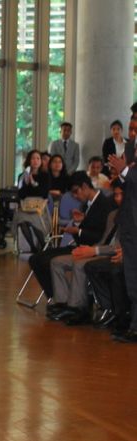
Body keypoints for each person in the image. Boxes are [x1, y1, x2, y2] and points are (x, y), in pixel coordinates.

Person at [47, 180, 122, 325]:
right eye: (116, 195)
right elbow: (104, 239)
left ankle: (77, 307)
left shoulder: (130, 216)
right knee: (56, 262)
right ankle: (63, 303)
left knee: (80, 264)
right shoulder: (113, 215)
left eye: (121, 195)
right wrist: (89, 249)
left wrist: (93, 250)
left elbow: (119, 246)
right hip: (99, 249)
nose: (117, 198)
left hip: (111, 254)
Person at [29, 171, 113, 301]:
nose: (75, 196)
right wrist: (78, 224)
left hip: (91, 249)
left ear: (85, 186)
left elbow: (102, 237)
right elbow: (84, 233)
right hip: (79, 246)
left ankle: (63, 298)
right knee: (35, 259)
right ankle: (57, 296)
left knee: (46, 261)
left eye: (76, 191)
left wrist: (78, 231)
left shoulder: (105, 204)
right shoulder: (85, 205)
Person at [107, 117, 137, 343]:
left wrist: (125, 170)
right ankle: (133, 325)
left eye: (135, 127)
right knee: (131, 278)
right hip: (129, 221)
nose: (132, 132)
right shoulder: (129, 148)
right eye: (131, 127)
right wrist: (120, 174)